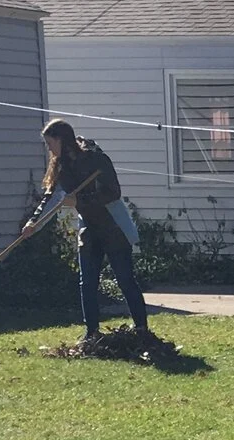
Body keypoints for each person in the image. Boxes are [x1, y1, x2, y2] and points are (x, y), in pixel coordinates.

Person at [27, 119, 157, 348]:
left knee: (125, 280)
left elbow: (113, 193)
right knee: (87, 283)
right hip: (89, 229)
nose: (49, 149)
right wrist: (34, 222)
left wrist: (80, 200)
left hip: (113, 227)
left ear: (61, 139)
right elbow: (50, 197)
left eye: (50, 143)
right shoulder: (61, 167)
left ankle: (141, 330)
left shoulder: (97, 160)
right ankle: (91, 333)